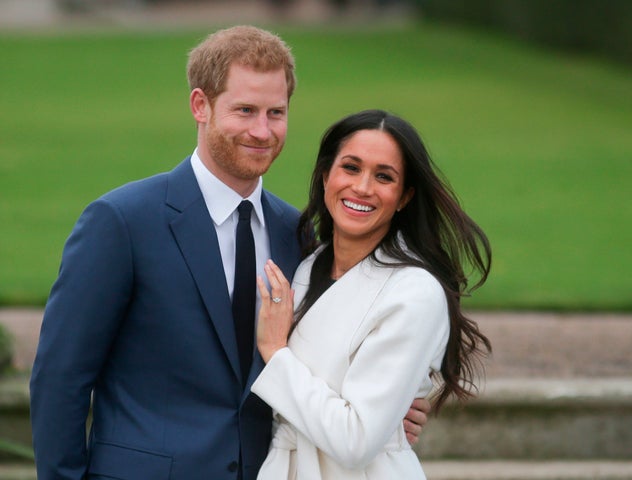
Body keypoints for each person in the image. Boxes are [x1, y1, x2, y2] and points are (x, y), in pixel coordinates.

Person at [29, 26, 428, 480]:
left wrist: (391, 408)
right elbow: (60, 379)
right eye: (245, 110)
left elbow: (321, 355)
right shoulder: (121, 222)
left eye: (276, 112)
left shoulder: (297, 234)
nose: (262, 131)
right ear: (201, 105)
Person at [249, 109, 492, 478]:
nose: (362, 187)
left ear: (405, 196)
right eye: (350, 167)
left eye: (384, 176)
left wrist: (275, 353)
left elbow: (357, 440)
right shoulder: (306, 266)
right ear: (326, 174)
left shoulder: (413, 292)